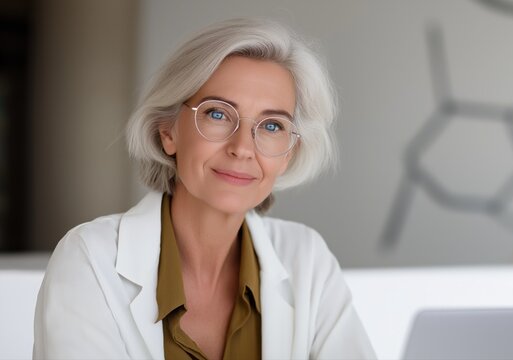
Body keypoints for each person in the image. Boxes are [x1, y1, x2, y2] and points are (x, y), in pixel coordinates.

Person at [33, 18, 376, 360]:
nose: (242, 147)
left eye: (272, 125)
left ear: (289, 153)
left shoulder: (308, 258)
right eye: (217, 114)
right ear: (168, 131)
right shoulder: (89, 259)